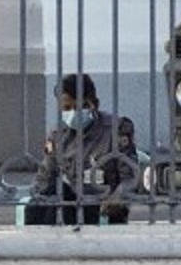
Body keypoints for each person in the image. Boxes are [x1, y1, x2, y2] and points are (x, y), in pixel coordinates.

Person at [24, 73, 138, 225]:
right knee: (50, 195)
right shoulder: (58, 135)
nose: (73, 113)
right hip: (70, 204)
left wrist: (118, 197)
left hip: (104, 208)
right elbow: (44, 177)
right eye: (67, 108)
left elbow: (131, 177)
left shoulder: (116, 130)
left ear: (94, 104)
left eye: (80, 106)